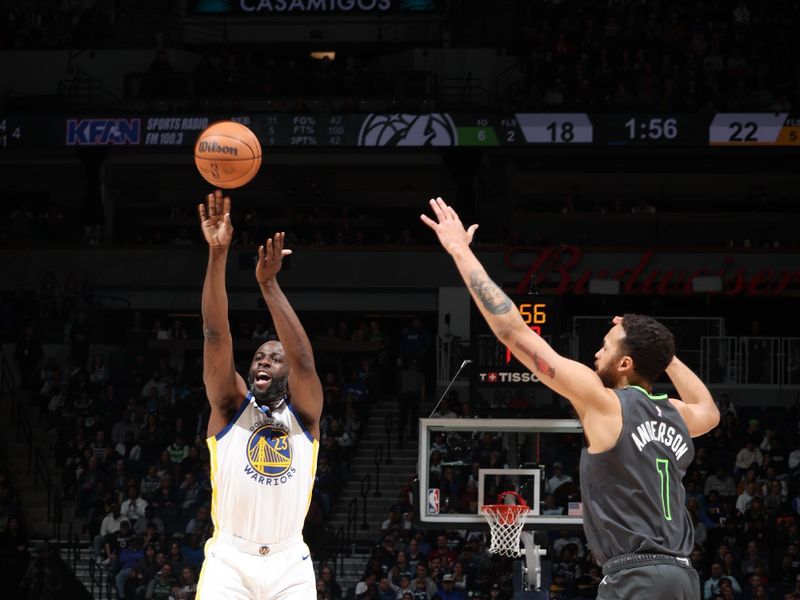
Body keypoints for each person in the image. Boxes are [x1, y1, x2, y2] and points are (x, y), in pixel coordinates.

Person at [421, 197, 720, 600]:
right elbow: (710, 412)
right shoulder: (677, 414)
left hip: (638, 578)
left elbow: (513, 332)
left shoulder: (604, 402)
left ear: (626, 363)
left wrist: (460, 251)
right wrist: (665, 355)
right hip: (683, 577)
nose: (597, 353)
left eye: (606, 345)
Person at [195, 190, 323, 599]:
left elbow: (303, 362)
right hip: (230, 560)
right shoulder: (231, 405)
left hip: (290, 563)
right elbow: (216, 334)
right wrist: (218, 254)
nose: (263, 362)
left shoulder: (304, 415)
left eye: (274, 359)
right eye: (259, 357)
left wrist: (268, 285)